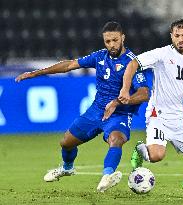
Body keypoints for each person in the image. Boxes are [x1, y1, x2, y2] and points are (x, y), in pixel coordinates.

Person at [15, 21, 149, 192]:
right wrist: (36, 73)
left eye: (115, 40)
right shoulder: (100, 56)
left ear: (123, 38)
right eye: (107, 41)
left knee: (115, 140)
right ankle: (67, 167)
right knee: (66, 143)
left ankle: (107, 175)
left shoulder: (132, 63)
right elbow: (70, 65)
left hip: (119, 114)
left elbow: (144, 93)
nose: (112, 45)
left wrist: (120, 102)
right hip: (96, 111)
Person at [118, 18, 183, 199]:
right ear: (171, 36)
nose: (180, 39)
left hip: (181, 118)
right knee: (156, 156)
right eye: (177, 36)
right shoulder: (162, 54)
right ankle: (140, 149)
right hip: (158, 114)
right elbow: (133, 63)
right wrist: (125, 89)